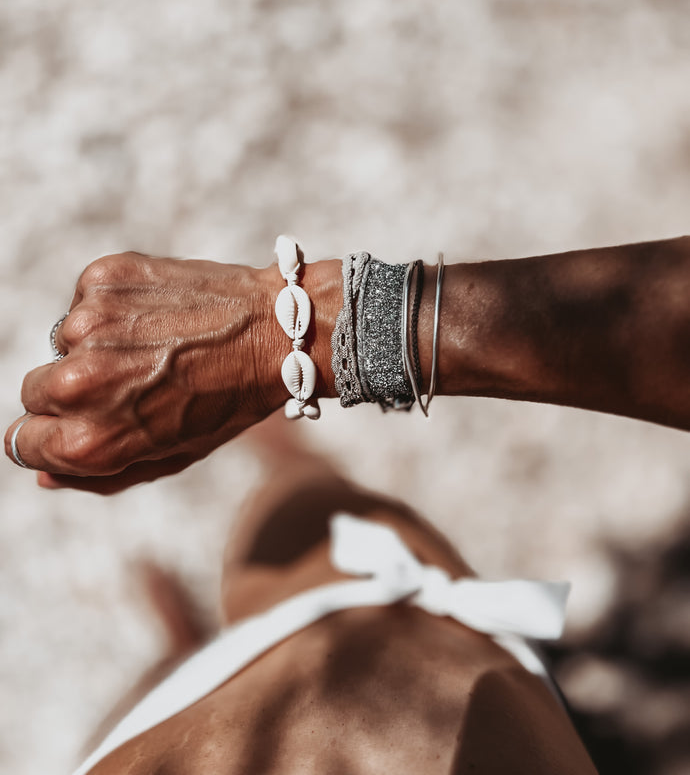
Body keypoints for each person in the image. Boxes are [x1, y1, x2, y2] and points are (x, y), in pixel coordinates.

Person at [5, 236, 689, 773]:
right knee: (313, 512)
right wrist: (297, 334)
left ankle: (180, 651)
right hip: (394, 658)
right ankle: (290, 461)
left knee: (286, 537)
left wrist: (285, 332)